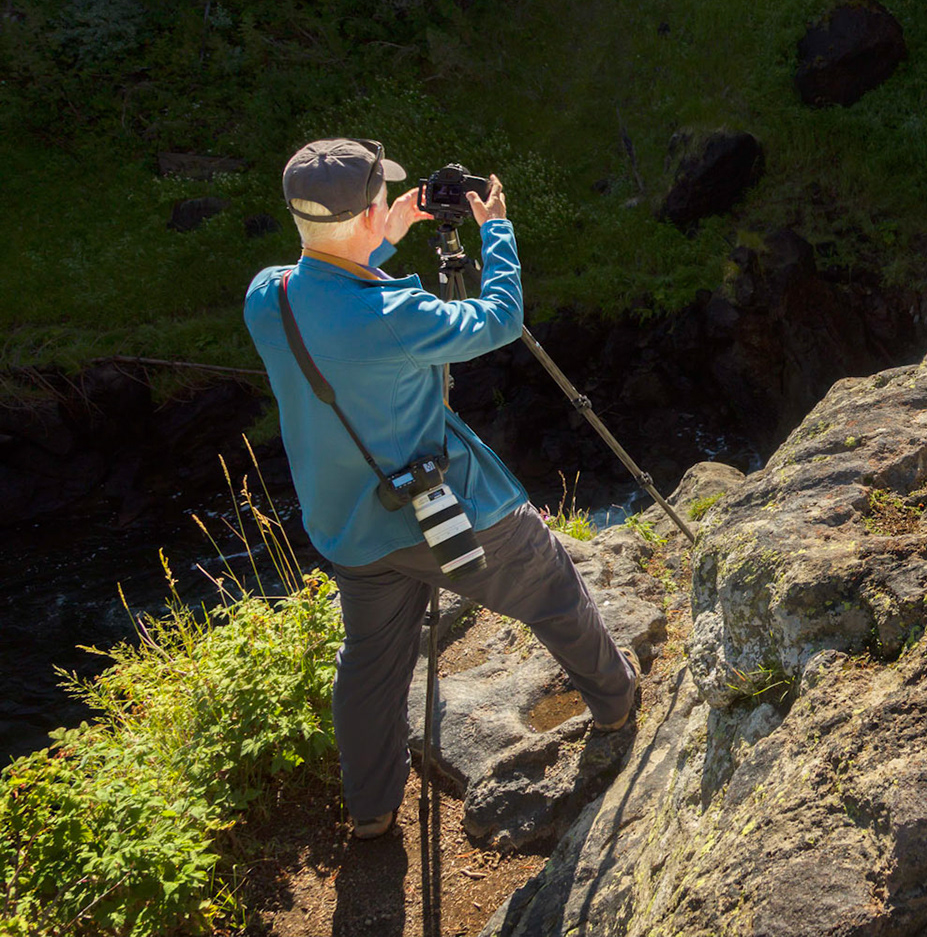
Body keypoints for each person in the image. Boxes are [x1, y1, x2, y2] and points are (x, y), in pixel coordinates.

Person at [243, 138, 637, 841]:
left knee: (368, 665)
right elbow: (498, 320)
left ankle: (370, 812)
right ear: (366, 214)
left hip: (350, 530)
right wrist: (498, 233)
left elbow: (333, 290)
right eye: (378, 204)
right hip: (449, 514)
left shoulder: (267, 298)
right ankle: (616, 701)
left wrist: (383, 237)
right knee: (551, 587)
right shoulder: (397, 315)